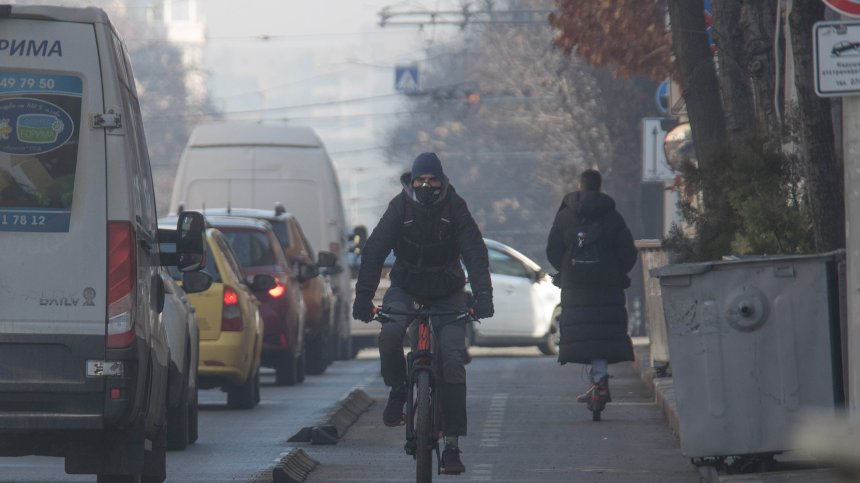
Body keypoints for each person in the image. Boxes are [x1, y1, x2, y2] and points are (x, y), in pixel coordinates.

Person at [352, 152, 493, 475]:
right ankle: (398, 389)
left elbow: (474, 251)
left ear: (442, 182)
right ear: (411, 181)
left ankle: (453, 445)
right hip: (407, 288)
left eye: (432, 180)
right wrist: (363, 299)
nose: (426, 185)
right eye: (420, 179)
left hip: (448, 292)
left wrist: (483, 296)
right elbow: (374, 251)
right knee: (389, 334)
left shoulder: (455, 207)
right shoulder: (399, 207)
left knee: (453, 362)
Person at [545, 169, 637, 407]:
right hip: (607, 287)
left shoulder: (565, 217)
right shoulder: (613, 217)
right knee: (602, 334)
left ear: (579, 186)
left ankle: (597, 382)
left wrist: (567, 270)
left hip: (576, 287)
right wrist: (615, 272)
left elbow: (553, 250)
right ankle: (599, 381)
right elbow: (628, 252)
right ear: (599, 187)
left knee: (585, 334)